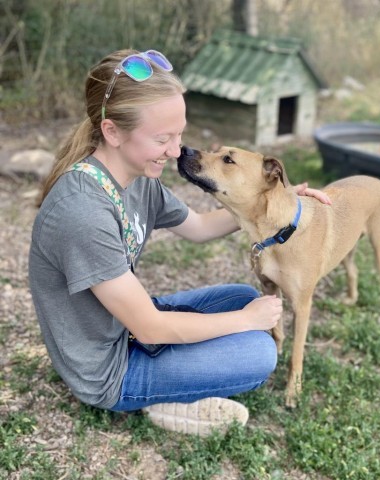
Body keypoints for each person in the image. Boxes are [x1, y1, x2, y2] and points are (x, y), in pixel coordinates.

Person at [29, 48, 332, 436]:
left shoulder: (138, 178)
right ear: (112, 132)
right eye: (163, 139)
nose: (176, 151)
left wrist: (274, 205)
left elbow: (201, 227)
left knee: (243, 295)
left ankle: (182, 371)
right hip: (109, 369)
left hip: (127, 327)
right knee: (259, 351)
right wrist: (245, 322)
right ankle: (161, 401)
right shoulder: (82, 212)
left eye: (179, 134)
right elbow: (152, 327)